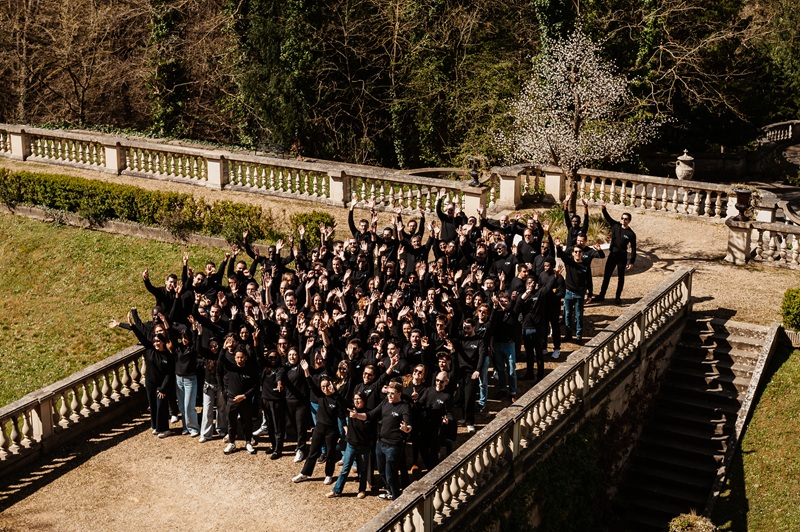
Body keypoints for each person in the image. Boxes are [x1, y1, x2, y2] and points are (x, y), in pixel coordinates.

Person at [350, 382, 412, 500]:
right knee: (382, 471)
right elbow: (370, 415)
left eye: (392, 394)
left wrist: (406, 429)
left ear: (399, 393)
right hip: (381, 443)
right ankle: (389, 491)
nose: (389, 396)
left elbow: (408, 424)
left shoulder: (404, 406)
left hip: (393, 446)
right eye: (388, 393)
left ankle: (395, 497)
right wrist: (357, 415)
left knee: (390, 474)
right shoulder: (385, 402)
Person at [292, 359, 348, 485]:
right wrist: (306, 370)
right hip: (319, 428)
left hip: (331, 431)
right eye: (323, 387)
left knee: (330, 453)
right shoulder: (320, 396)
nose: (325, 389)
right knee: (313, 452)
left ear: (331, 385)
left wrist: (345, 427)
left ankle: (329, 474)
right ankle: (304, 473)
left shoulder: (336, 398)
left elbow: (341, 414)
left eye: (327, 386)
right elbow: (310, 384)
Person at [328, 392, 373, 499]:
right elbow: (342, 401)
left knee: (362, 470)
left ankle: (362, 490)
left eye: (359, 399)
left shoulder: (368, 413)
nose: (356, 401)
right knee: (345, 468)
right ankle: (337, 490)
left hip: (363, 446)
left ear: (364, 400)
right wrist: (334, 392)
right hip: (351, 445)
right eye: (355, 399)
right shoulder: (351, 409)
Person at [596, 203, 637, 304]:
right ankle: (602, 295)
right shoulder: (616, 226)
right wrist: (603, 208)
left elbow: (634, 249)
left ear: (629, 221)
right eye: (622, 218)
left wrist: (631, 262)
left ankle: (618, 297)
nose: (623, 220)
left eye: (626, 219)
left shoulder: (631, 234)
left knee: (621, 278)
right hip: (612, 255)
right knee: (607, 276)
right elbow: (607, 217)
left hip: (622, 258)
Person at [222, 347, 259, 455]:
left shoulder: (251, 370)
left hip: (245, 401)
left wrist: (244, 396)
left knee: (247, 423)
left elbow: (255, 386)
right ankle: (232, 443)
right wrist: (224, 349)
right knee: (231, 423)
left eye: (242, 357)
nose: (240, 359)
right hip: (232, 400)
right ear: (235, 358)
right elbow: (221, 360)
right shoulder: (231, 368)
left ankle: (248, 442)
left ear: (246, 358)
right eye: (237, 357)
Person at [556, 244, 591, 341]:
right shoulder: (569, 263)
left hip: (579, 294)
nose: (577, 254)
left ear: (582, 253)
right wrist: (558, 247)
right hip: (568, 293)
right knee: (567, 314)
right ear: (572, 253)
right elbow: (561, 255)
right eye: (575, 252)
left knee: (578, 315)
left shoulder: (585, 266)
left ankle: (579, 335)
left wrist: (590, 293)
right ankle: (568, 335)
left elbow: (589, 280)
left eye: (579, 252)